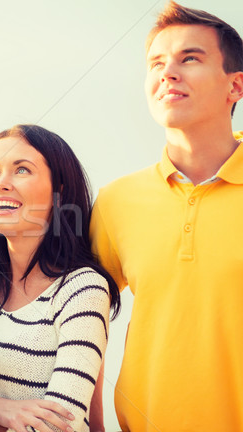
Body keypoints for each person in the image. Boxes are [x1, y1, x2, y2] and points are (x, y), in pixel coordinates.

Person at [90, 2, 243, 431]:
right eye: (157, 63)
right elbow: (82, 324)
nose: (168, 73)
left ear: (236, 86)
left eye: (189, 58)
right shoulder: (116, 201)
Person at [0, 125, 121, 432]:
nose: (1, 183)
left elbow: (58, 423)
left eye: (22, 170)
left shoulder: (83, 289)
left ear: (60, 191)